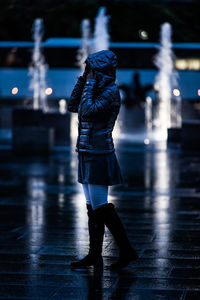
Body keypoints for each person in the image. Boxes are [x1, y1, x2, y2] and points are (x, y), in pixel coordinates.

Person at [67, 50, 138, 269]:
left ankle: (126, 250)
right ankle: (94, 255)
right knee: (92, 208)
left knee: (101, 207)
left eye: (92, 69)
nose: (89, 73)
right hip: (86, 152)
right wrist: (83, 79)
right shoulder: (94, 87)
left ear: (101, 70)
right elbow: (72, 106)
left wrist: (88, 83)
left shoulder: (110, 91)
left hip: (99, 153)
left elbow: (87, 111)